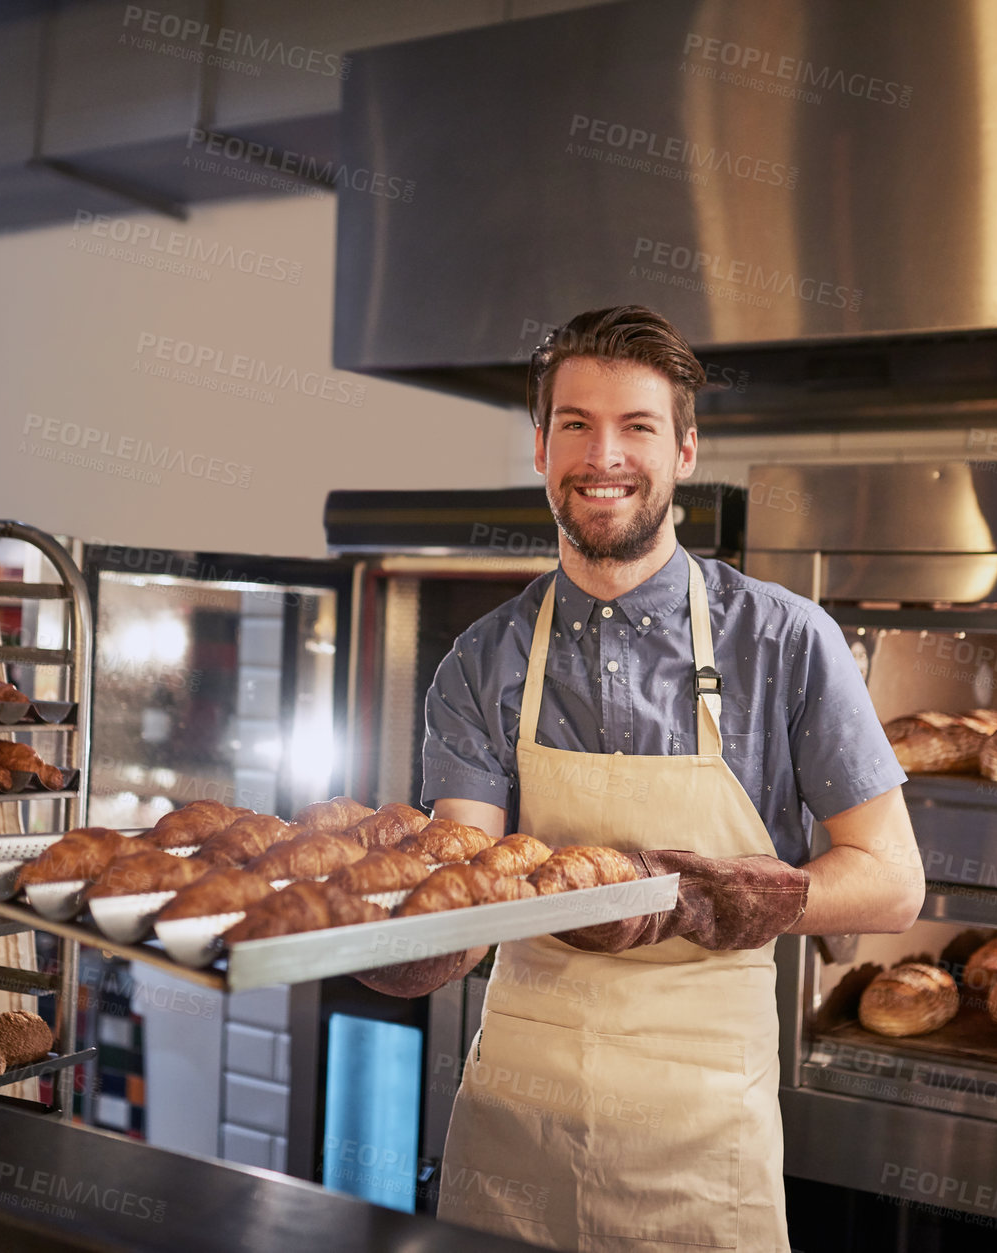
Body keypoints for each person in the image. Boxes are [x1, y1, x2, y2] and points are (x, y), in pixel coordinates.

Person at [359, 305, 924, 1251]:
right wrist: (395, 932)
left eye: (637, 427)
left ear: (685, 450)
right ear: (540, 448)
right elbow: (472, 870)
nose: (603, 455)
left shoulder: (783, 642)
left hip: (701, 1138)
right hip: (517, 1123)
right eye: (575, 425)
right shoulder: (483, 661)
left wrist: (709, 896)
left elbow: (893, 880)